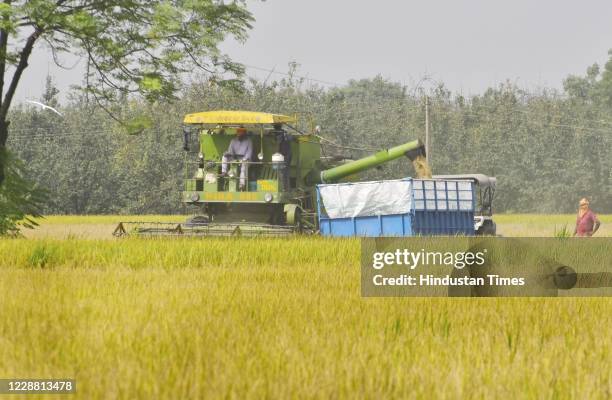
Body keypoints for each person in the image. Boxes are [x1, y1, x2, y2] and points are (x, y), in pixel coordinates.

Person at [272, 124, 292, 189]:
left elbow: (278, 144)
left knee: (283, 172)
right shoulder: (283, 133)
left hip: (285, 155)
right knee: (285, 172)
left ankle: (284, 187)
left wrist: (276, 153)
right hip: (286, 154)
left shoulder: (279, 134)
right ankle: (285, 187)